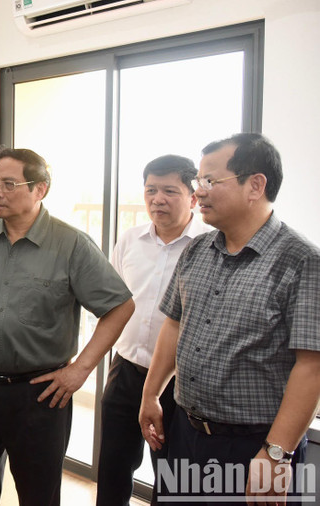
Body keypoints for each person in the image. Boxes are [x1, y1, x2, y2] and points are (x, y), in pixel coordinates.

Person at [0, 147, 135, 506]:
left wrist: (80, 370)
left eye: (9, 184)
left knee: (38, 494)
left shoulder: (71, 244)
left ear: (39, 189)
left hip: (40, 394)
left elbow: (120, 306)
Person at [139, 133, 320, 503]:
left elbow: (312, 367)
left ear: (255, 185)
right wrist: (150, 394)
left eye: (210, 180)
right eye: (198, 181)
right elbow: (174, 325)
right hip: (186, 433)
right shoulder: (197, 250)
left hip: (253, 446)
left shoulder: (302, 262)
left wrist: (275, 453)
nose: (199, 191)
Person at [96, 155, 211, 506]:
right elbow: (114, 303)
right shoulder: (130, 240)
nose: (157, 199)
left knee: (174, 477)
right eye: (150, 190)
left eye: (169, 191)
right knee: (113, 467)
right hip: (126, 370)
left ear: (192, 197)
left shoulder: (209, 246)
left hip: (180, 382)